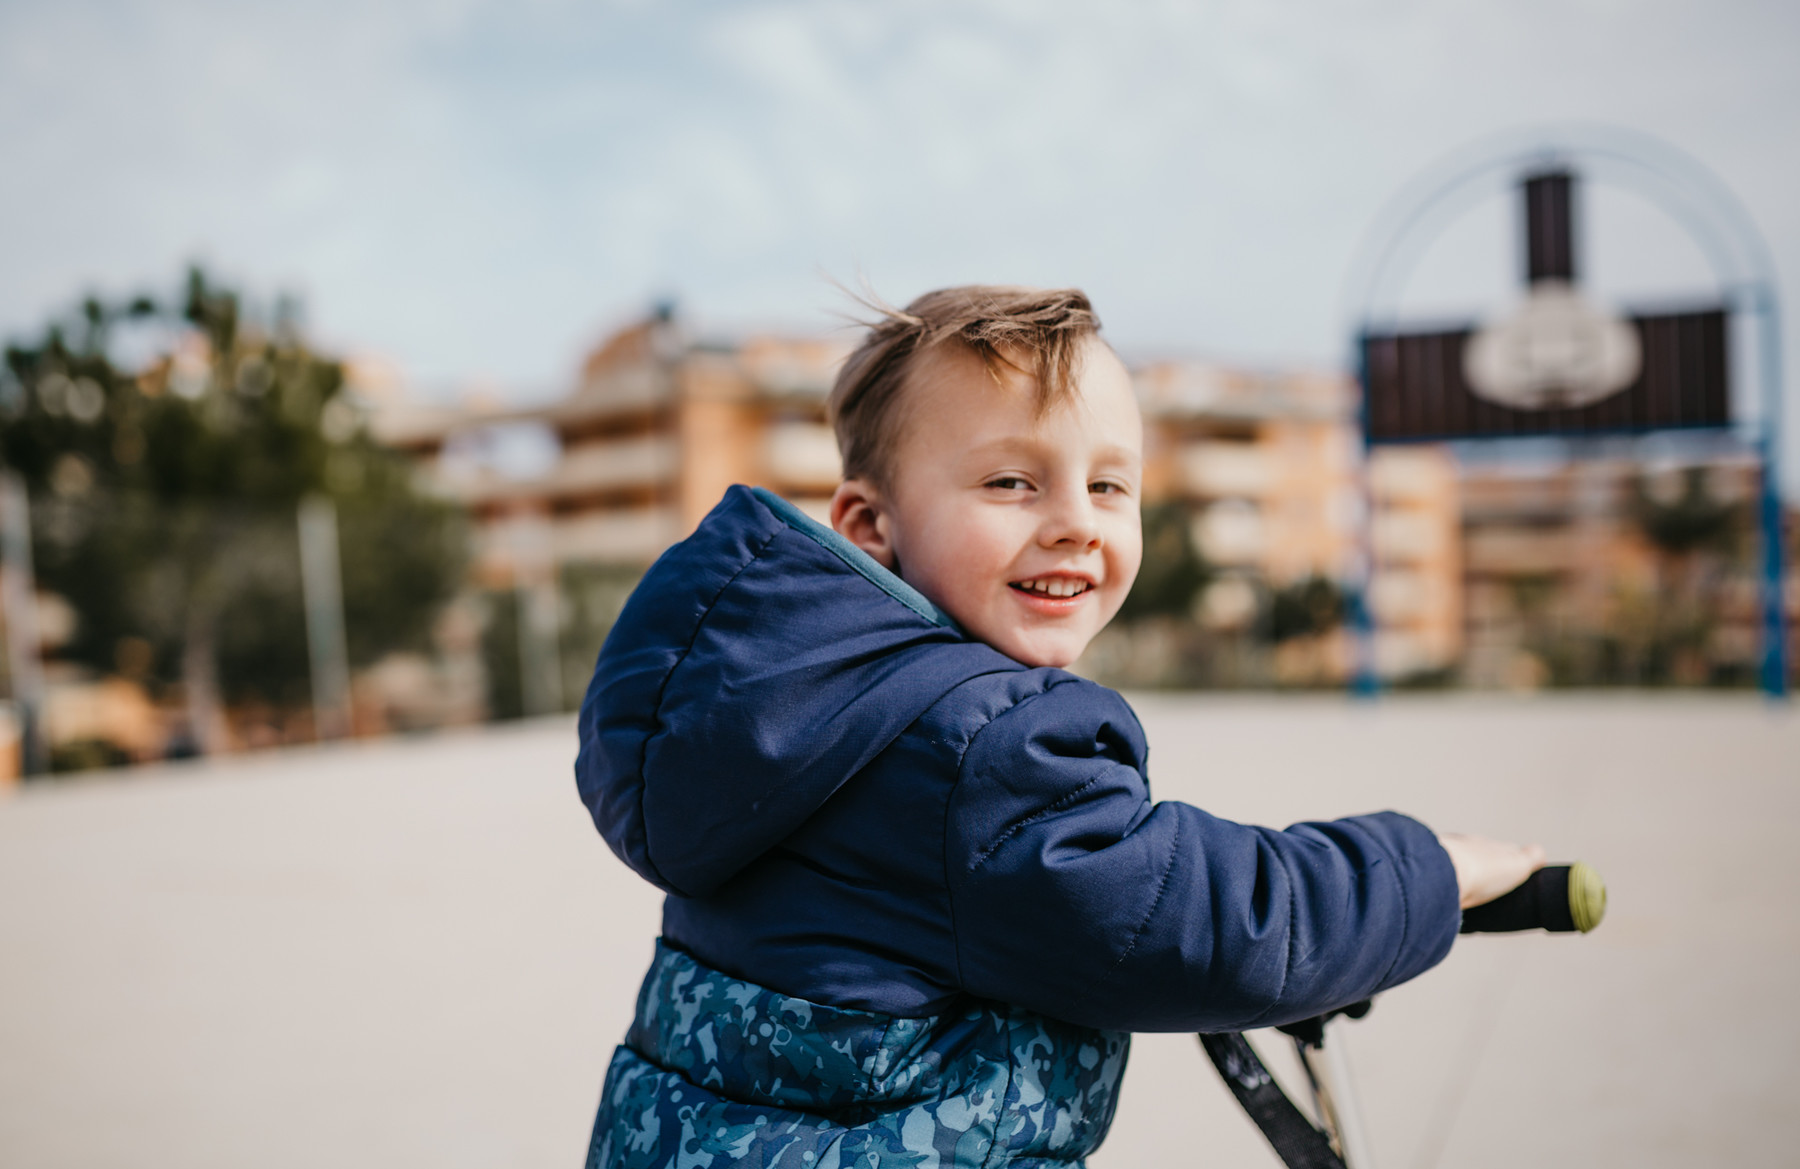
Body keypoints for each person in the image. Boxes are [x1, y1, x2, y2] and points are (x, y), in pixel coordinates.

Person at [575, 286, 1543, 1168]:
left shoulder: (784, 718)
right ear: (870, 525)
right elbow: (1223, 925)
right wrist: (1432, 866)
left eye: (1111, 485)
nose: (1077, 521)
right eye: (1012, 482)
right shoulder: (980, 751)